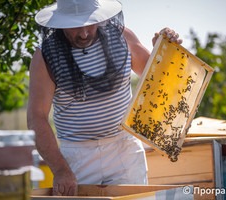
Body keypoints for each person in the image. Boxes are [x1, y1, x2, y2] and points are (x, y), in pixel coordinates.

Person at [27, 0, 182, 196]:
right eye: (75, 26)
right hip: (77, 156)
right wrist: (60, 169)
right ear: (62, 22)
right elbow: (36, 117)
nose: (84, 33)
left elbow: (156, 75)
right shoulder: (45, 57)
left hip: (124, 148)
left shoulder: (123, 37)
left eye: (89, 22)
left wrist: (164, 50)